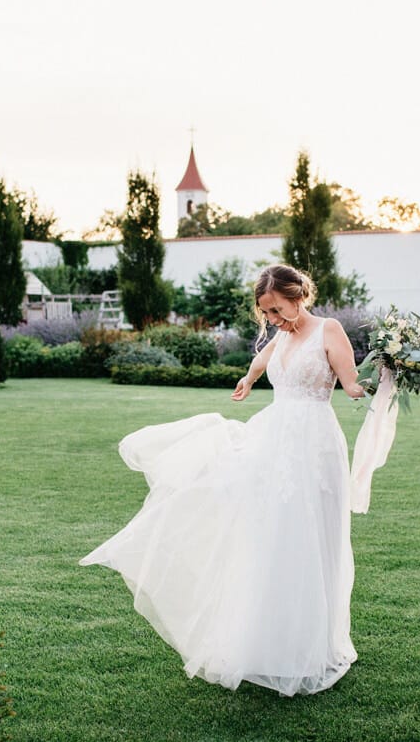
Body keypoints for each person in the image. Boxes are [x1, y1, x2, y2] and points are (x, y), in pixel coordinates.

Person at [80, 264, 366, 696]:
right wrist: (249, 378)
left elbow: (350, 384)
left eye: (276, 308)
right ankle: (268, 641)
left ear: (298, 295)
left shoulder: (329, 330)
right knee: (270, 537)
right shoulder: (280, 335)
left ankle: (315, 645)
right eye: (265, 312)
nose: (271, 318)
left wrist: (387, 375)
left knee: (313, 537)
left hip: (316, 448)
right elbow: (264, 356)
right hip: (275, 441)